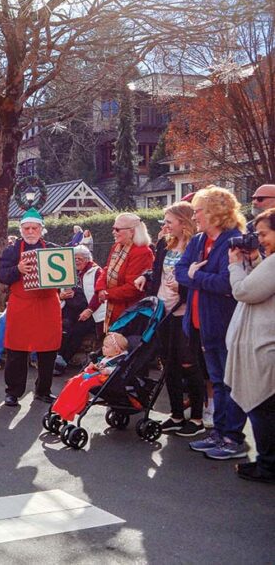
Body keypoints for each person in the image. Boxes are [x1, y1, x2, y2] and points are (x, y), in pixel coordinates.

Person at [176, 185, 248, 460]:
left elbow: (227, 283)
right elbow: (180, 271)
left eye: (198, 211)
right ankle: (219, 433)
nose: (194, 217)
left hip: (224, 323)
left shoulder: (235, 241)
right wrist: (194, 276)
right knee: (217, 382)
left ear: (215, 213)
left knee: (229, 383)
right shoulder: (196, 242)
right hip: (199, 324)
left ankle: (232, 437)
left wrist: (196, 277)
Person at [137, 202, 204, 436]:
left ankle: (196, 417)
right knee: (169, 364)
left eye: (169, 221)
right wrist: (145, 277)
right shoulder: (166, 244)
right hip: (163, 310)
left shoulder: (195, 247)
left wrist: (183, 285)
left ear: (183, 222)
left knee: (189, 363)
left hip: (183, 312)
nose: (164, 226)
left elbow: (198, 278)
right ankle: (176, 414)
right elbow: (157, 271)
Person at [225, 207, 275, 483]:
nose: (260, 239)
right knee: (265, 409)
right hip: (265, 344)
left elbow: (245, 291)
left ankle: (268, 466)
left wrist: (235, 265)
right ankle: (267, 462)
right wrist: (255, 260)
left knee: (262, 409)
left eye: (265, 234)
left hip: (265, 347)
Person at [0, 208, 62, 407]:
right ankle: (13, 392)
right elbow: (1, 275)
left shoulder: (53, 249)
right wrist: (17, 269)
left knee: (48, 350)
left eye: (35, 228)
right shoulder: (10, 251)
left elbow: (64, 274)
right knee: (16, 350)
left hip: (47, 304)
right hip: (21, 304)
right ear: (21, 229)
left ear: (41, 229)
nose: (31, 231)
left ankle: (43, 390)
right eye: (27, 228)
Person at [91, 213, 154, 330]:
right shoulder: (116, 247)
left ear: (131, 232)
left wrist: (107, 294)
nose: (113, 232)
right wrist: (100, 289)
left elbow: (133, 288)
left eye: (117, 229)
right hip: (114, 307)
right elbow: (107, 269)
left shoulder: (142, 252)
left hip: (130, 312)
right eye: (113, 228)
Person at [52, 332, 130, 422]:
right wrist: (94, 366)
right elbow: (100, 365)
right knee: (74, 380)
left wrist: (108, 371)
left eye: (106, 347)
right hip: (95, 375)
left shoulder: (119, 360)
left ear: (117, 351)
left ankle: (76, 408)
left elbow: (118, 370)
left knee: (84, 385)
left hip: (104, 380)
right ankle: (61, 406)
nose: (103, 348)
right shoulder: (108, 356)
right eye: (103, 346)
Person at [54, 245, 104, 375]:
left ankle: (61, 362)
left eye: (80, 259)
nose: (76, 261)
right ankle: (57, 358)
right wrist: (61, 295)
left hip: (89, 311)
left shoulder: (96, 271)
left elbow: (99, 294)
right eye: (74, 258)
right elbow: (58, 290)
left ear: (87, 259)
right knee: (63, 327)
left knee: (77, 331)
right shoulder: (69, 271)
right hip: (70, 308)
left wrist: (89, 310)